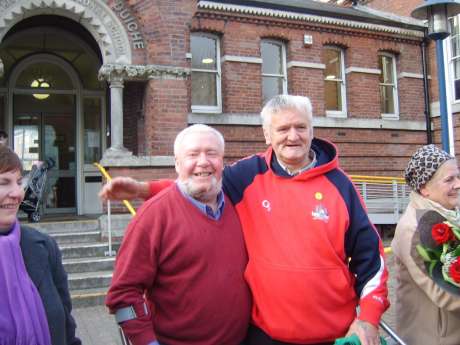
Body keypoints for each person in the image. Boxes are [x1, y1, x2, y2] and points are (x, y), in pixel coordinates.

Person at [100, 95, 389, 345]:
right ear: (267, 135)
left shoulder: (341, 186)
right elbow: (200, 181)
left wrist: (369, 319)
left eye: (300, 127)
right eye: (283, 128)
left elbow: (371, 260)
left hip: (333, 334)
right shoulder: (248, 175)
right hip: (264, 335)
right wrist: (143, 189)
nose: (293, 136)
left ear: (312, 131)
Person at [105, 124, 251, 345]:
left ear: (223, 161)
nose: (203, 162)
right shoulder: (152, 217)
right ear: (177, 163)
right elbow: (123, 294)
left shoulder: (238, 203)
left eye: (212, 153)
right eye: (192, 154)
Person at [0, 145, 81, 345]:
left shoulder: (43, 246)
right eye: (4, 182)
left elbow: (66, 328)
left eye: (19, 182)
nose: (17, 193)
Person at [392, 144, 460, 345]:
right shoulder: (416, 228)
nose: (458, 184)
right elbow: (448, 293)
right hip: (435, 338)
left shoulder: (447, 215)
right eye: (449, 180)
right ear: (424, 188)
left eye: (457, 176)